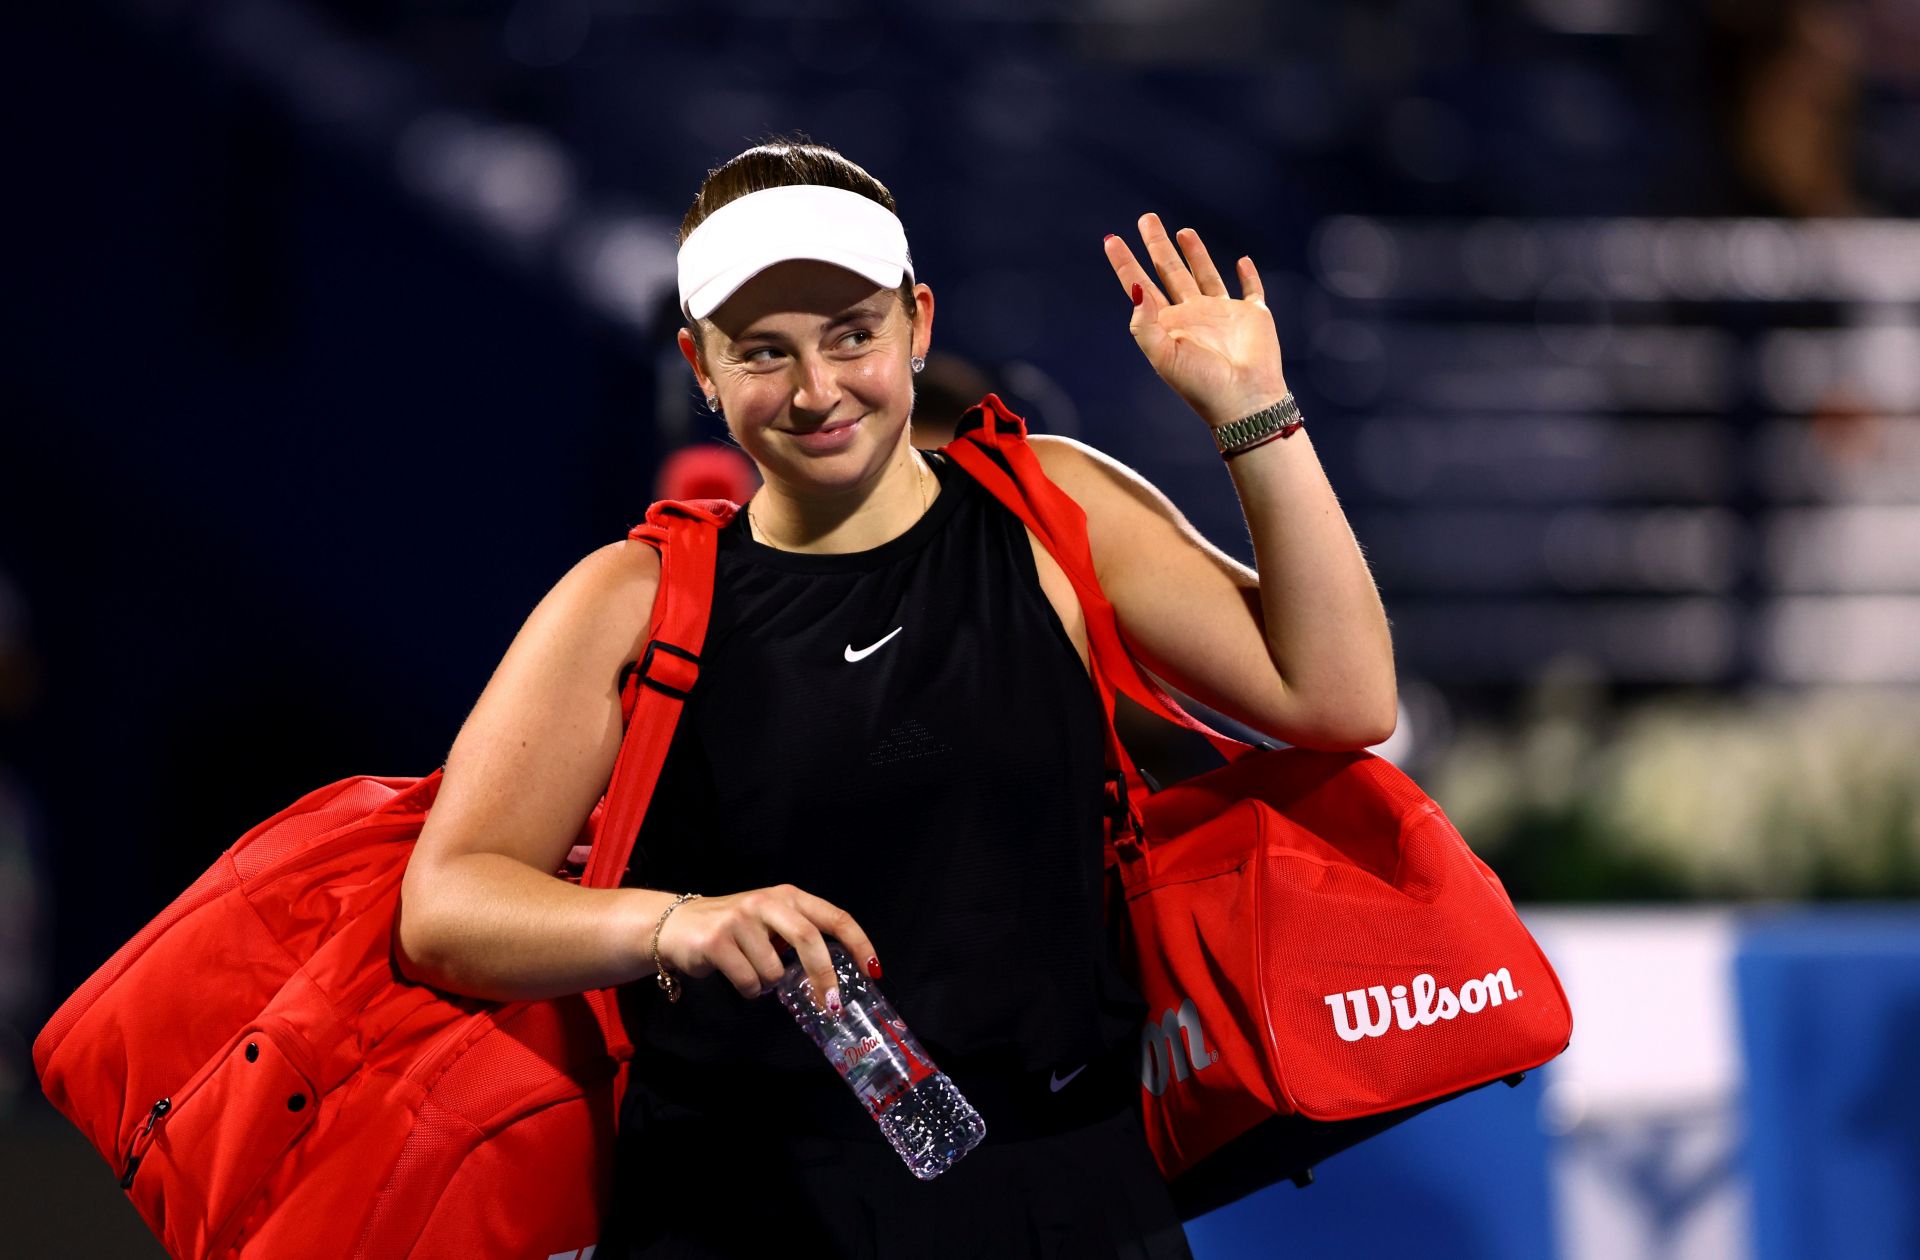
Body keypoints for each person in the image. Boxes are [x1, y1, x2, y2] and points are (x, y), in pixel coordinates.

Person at [395, 137, 1397, 1258]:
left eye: (852, 336)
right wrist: (673, 923)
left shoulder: (1049, 509)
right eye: (763, 353)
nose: (818, 391)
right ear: (700, 366)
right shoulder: (633, 600)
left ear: (917, 325)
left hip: (1065, 1197)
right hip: (744, 1215)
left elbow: (1341, 695)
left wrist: (1253, 411)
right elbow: (447, 908)